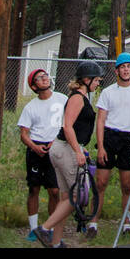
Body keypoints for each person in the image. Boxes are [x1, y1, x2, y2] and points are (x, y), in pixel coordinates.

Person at [34, 62, 104, 248]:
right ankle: (45, 229)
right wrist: (77, 150)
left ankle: (56, 243)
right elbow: (67, 126)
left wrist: (81, 146)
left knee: (66, 199)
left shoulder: (80, 96)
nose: (98, 83)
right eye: (96, 80)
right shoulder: (77, 98)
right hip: (66, 149)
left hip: (64, 148)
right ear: (86, 80)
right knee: (77, 198)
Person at [95, 52, 130, 230]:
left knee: (126, 185)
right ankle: (93, 221)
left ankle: (127, 222)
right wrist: (101, 146)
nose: (125, 70)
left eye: (128, 67)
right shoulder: (107, 92)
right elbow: (101, 120)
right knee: (101, 182)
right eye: (122, 67)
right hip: (110, 137)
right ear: (117, 70)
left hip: (128, 139)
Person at [17, 69, 67, 240]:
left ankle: (50, 227)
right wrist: (34, 147)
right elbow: (24, 134)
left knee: (54, 190)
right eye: (39, 78)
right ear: (33, 86)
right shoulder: (31, 107)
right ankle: (33, 229)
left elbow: (69, 122)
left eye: (45, 75)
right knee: (34, 189)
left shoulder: (62, 99)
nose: (44, 78)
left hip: (56, 147)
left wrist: (58, 140)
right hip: (36, 148)